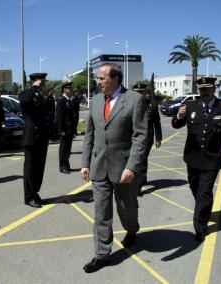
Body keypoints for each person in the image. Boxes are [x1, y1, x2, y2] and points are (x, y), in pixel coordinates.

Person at [80, 64, 148, 273]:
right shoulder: (96, 100)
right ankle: (102, 255)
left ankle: (132, 229)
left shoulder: (135, 100)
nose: (98, 82)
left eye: (101, 78)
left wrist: (132, 166)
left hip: (124, 168)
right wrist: (84, 163)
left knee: (126, 207)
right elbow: (89, 134)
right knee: (101, 213)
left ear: (115, 79)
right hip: (99, 166)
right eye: (97, 78)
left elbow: (140, 136)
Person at [172, 76, 221, 242]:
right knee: (195, 188)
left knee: (204, 192)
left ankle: (200, 227)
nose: (205, 92)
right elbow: (176, 124)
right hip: (193, 157)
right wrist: (179, 116)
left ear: (214, 89)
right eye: (202, 89)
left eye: (208, 89)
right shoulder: (190, 106)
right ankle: (204, 210)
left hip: (213, 157)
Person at [20, 73, 50, 208]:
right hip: (31, 138)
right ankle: (28, 196)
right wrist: (33, 87)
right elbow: (25, 102)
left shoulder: (39, 96)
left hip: (41, 138)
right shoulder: (26, 94)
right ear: (33, 81)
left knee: (39, 168)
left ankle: (35, 192)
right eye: (40, 81)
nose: (42, 83)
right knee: (30, 168)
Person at [132, 83, 162, 196]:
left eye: (141, 92)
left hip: (146, 137)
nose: (139, 94)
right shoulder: (129, 104)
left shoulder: (152, 105)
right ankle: (140, 179)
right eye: (137, 92)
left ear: (145, 92)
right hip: (132, 137)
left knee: (142, 160)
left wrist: (158, 138)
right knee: (133, 160)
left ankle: (138, 185)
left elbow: (157, 123)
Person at [56, 82, 76, 174]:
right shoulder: (62, 100)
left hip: (69, 129)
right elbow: (59, 116)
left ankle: (66, 165)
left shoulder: (68, 100)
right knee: (64, 149)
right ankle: (62, 166)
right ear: (64, 89)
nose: (71, 90)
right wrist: (61, 130)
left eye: (71, 88)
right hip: (64, 130)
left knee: (68, 149)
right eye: (69, 88)